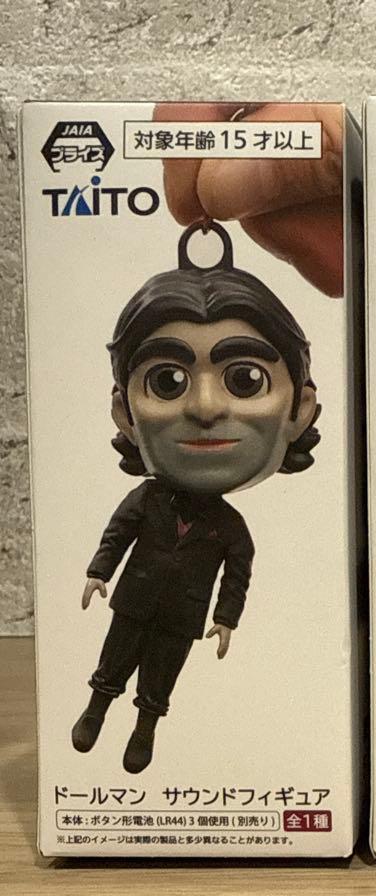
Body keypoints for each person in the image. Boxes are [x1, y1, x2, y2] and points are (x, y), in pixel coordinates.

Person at [72, 222, 319, 773]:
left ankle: (144, 728)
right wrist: (98, 572)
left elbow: (236, 576)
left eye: (245, 379)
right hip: (135, 600)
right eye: (167, 382)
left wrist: (226, 618)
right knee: (114, 659)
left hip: (184, 616)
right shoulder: (144, 501)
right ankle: (96, 708)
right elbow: (117, 535)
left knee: (161, 675)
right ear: (125, 414)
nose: (205, 408)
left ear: (299, 410)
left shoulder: (233, 530)